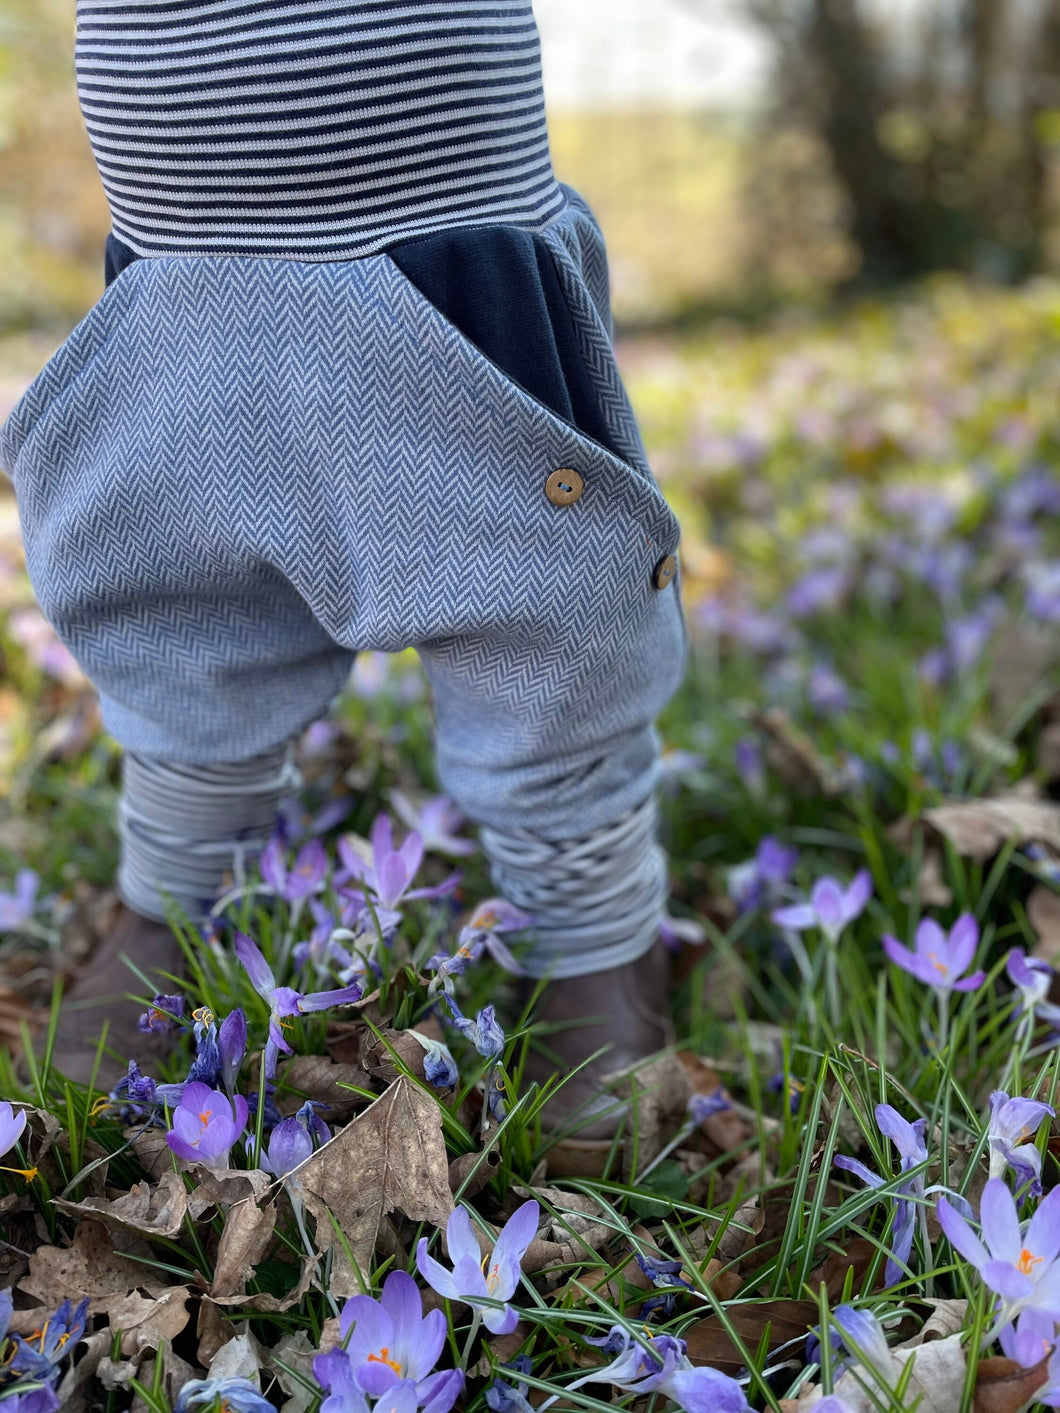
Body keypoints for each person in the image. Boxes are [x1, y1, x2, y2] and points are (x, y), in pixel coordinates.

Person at [0, 1, 687, 1132]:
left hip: (441, 206)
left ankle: (589, 935)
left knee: (543, 600)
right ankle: (175, 882)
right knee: (169, 589)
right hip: (181, 234)